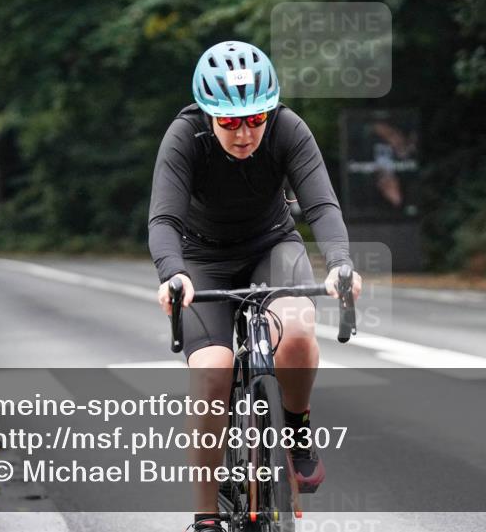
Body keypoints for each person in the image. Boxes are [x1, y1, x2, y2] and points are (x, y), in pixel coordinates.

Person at [148, 41, 362, 532]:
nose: (244, 133)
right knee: (212, 370)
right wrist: (172, 273)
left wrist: (340, 265)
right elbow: (162, 218)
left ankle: (298, 428)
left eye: (255, 118)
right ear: (209, 115)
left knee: (299, 327)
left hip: (271, 246)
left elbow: (323, 206)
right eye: (228, 122)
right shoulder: (184, 136)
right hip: (201, 258)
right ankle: (204, 516)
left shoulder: (288, 129)